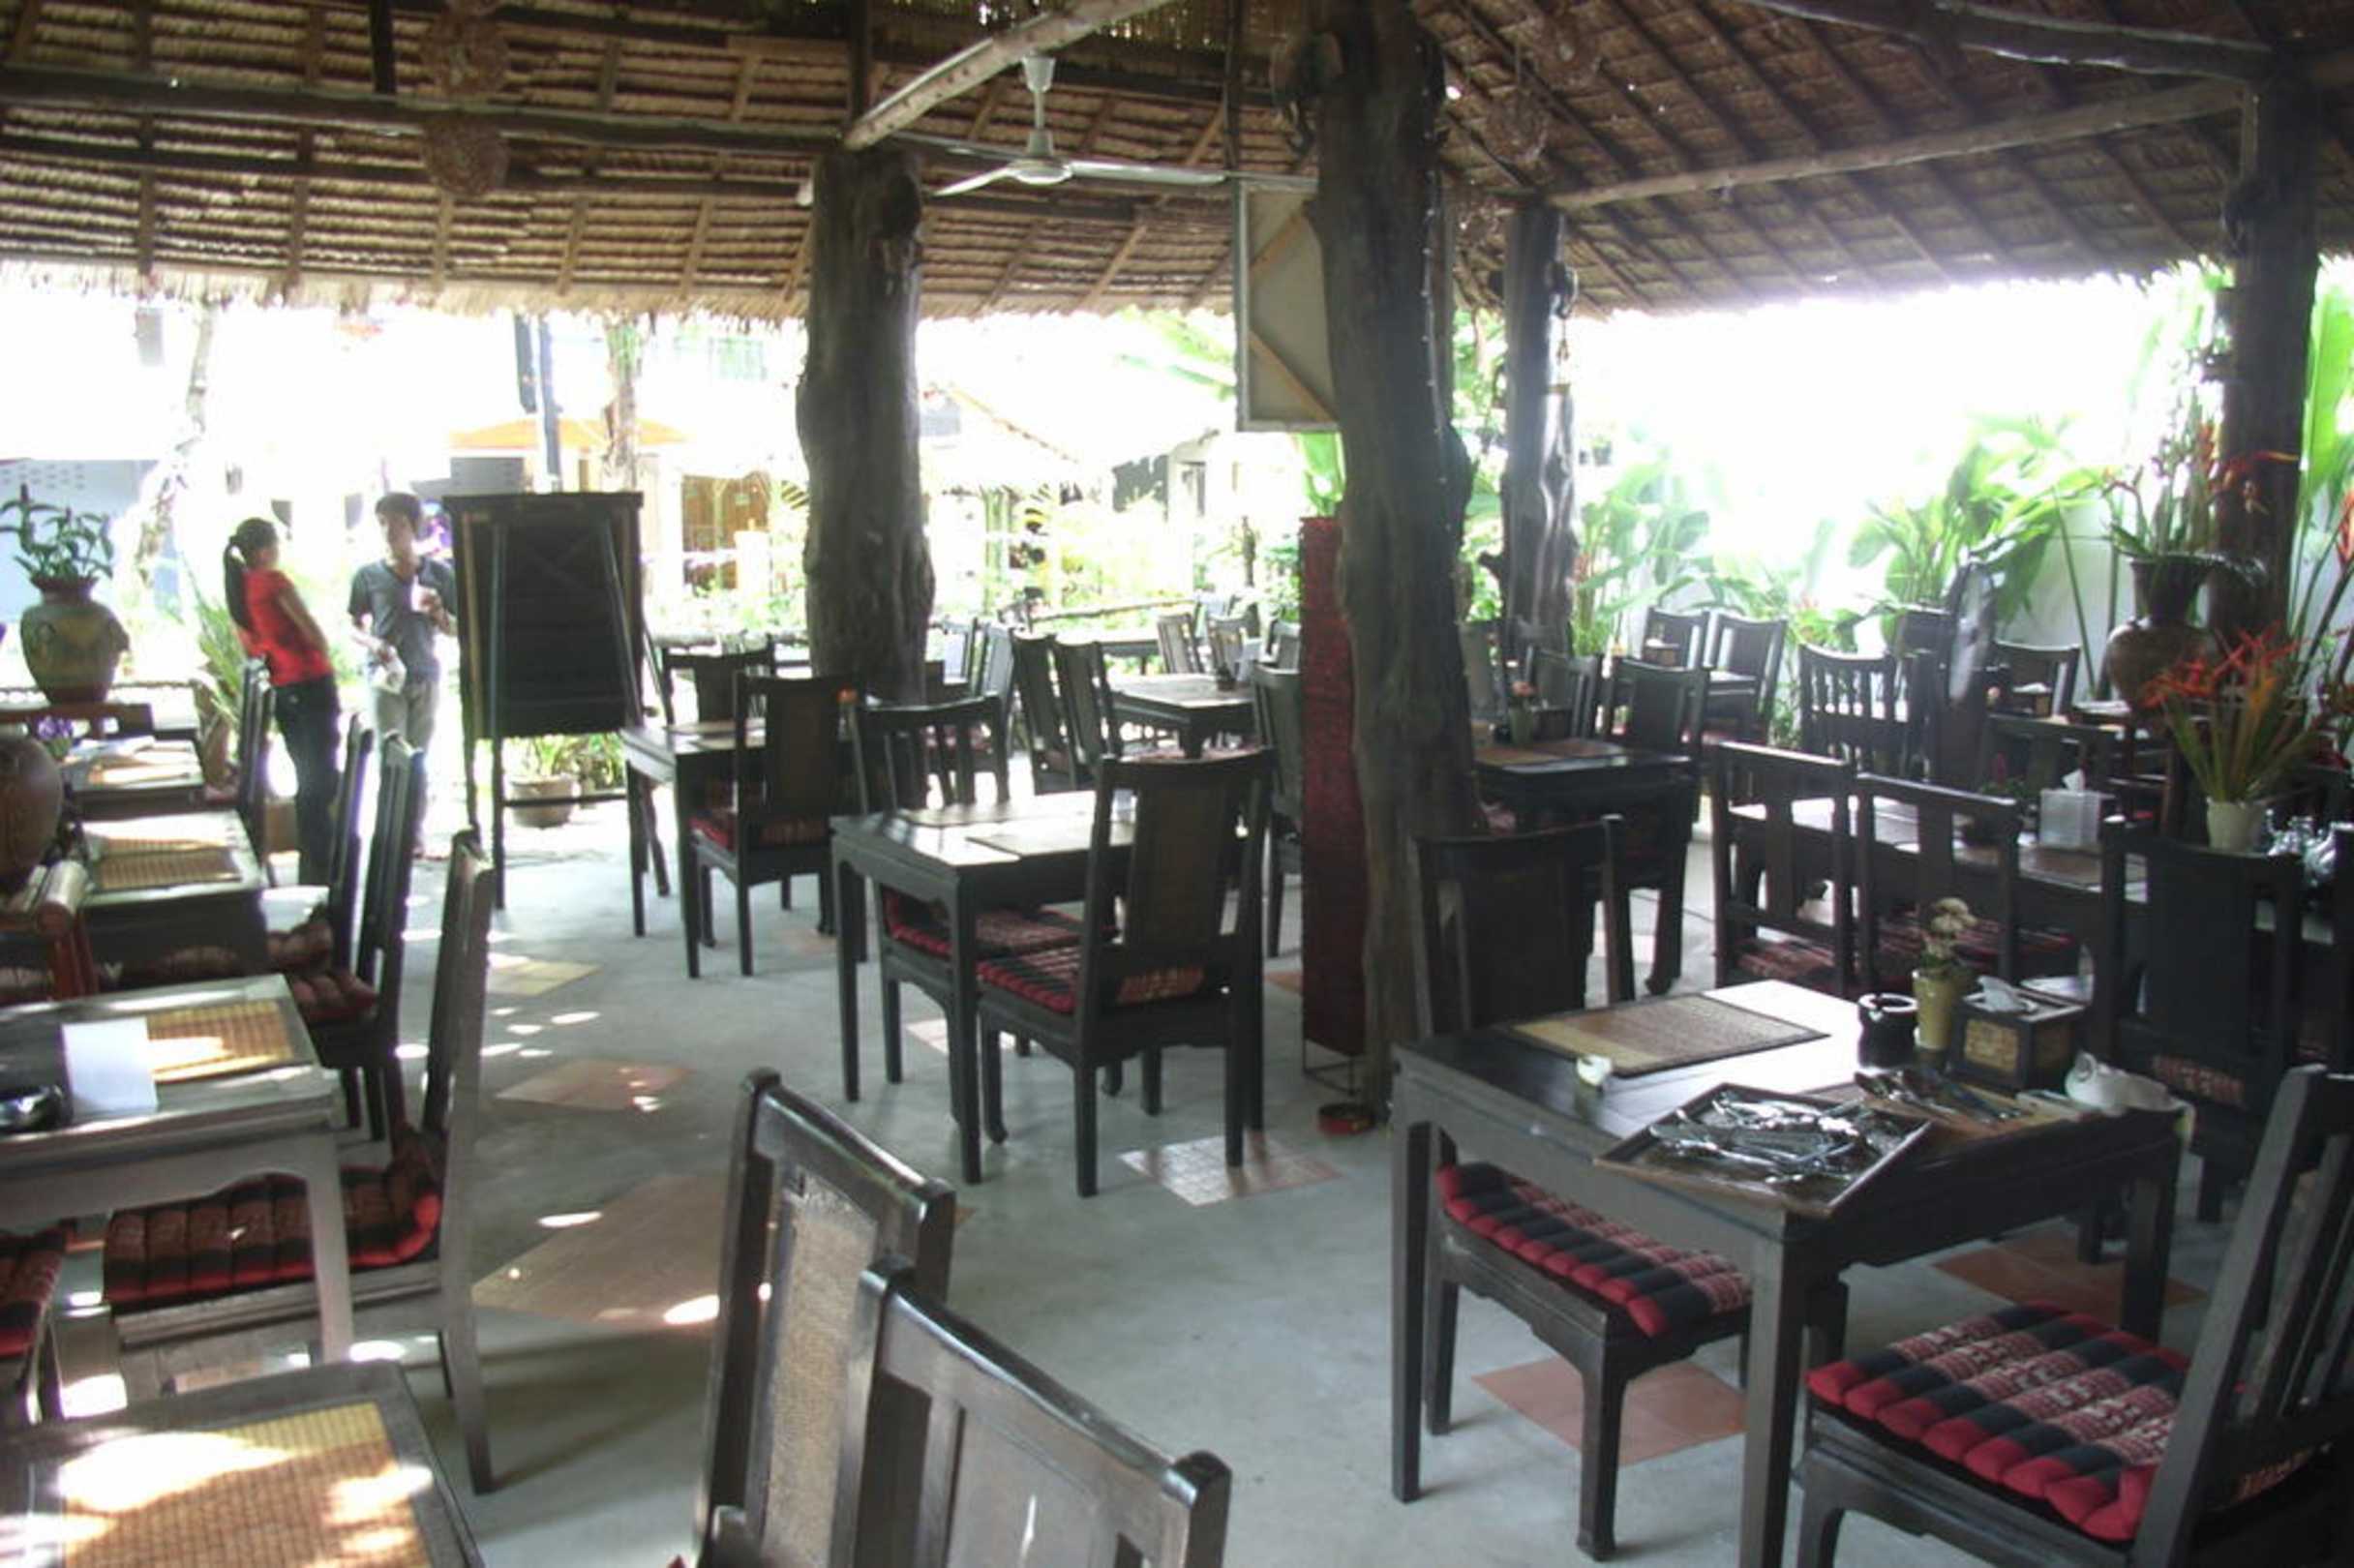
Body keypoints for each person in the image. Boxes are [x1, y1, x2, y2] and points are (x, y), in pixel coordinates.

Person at [223, 517, 340, 884]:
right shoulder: (272, 582)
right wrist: (325, 654)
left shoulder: (239, 588)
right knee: (322, 776)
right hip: (310, 679)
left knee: (306, 770)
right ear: (264, 550)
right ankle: (322, 856)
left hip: (283, 686)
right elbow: (310, 629)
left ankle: (313, 858)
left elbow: (249, 645)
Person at [348, 494, 459, 765]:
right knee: (391, 759)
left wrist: (437, 613)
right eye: (383, 523)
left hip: (424, 673)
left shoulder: (439, 574)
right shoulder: (368, 576)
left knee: (419, 760)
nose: (390, 531)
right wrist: (374, 644)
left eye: (398, 523)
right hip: (386, 674)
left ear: (413, 526)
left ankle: (417, 795)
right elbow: (353, 626)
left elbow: (457, 628)